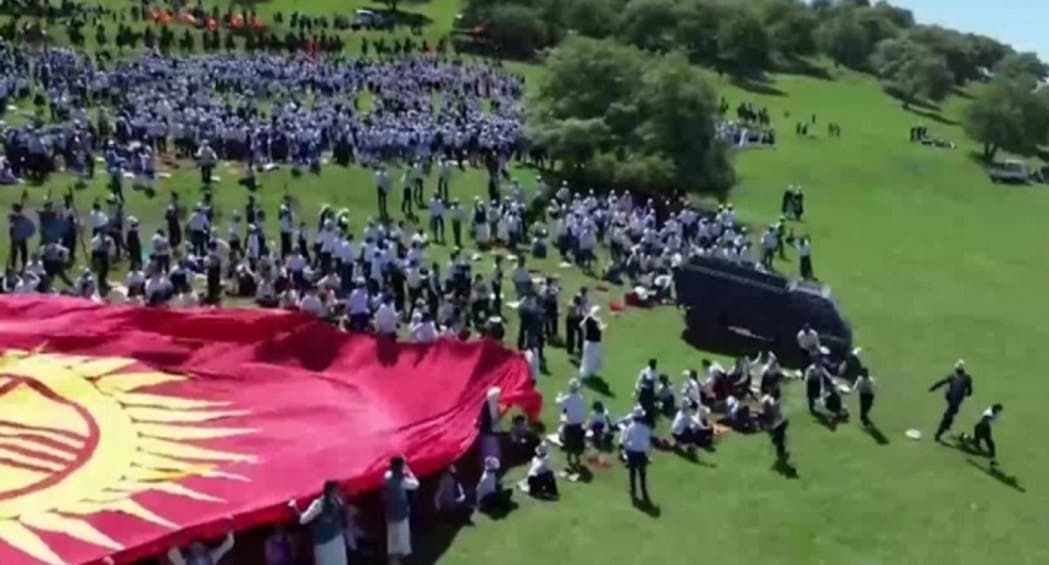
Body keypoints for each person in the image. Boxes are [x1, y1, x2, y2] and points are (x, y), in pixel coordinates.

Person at [384, 456, 420, 565]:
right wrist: (409, 472)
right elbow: (416, 484)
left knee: (393, 541)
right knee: (398, 543)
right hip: (400, 515)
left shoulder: (387, 477)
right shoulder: (402, 481)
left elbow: (388, 475)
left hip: (390, 514)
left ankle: (393, 561)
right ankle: (395, 563)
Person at [930, 360, 973, 442]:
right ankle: (939, 433)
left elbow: (941, 382)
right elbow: (970, 393)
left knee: (950, 414)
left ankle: (946, 426)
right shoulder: (968, 378)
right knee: (948, 416)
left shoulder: (952, 376)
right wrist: (965, 393)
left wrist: (933, 388)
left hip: (950, 398)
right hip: (955, 402)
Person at [622, 405, 653, 503]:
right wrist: (647, 453)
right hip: (641, 453)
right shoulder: (646, 428)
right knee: (642, 474)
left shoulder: (630, 427)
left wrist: (627, 450)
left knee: (632, 472)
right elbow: (648, 443)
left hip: (632, 452)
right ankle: (644, 491)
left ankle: (633, 489)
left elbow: (625, 440)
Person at [557, 378, 586, 471]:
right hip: (580, 425)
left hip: (570, 425)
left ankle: (569, 457)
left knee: (568, 443)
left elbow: (561, 406)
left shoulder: (567, 398)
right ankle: (577, 457)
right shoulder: (581, 398)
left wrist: (559, 397)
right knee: (577, 443)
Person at [167, 527, 235, 565]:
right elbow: (229, 543)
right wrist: (228, 528)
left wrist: (175, 539)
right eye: (198, 549)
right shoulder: (212, 557)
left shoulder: (184, 563)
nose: (197, 549)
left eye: (197, 549)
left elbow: (171, 553)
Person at [762, 388, 789, 463]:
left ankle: (780, 452)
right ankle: (781, 450)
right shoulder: (777, 402)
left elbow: (769, 412)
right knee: (780, 439)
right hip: (781, 422)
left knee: (778, 439)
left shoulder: (773, 403)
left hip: (777, 424)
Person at [579, 305, 604, 379]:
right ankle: (586, 373)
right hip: (590, 342)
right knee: (588, 358)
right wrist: (585, 333)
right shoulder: (589, 318)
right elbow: (581, 325)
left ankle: (593, 372)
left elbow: (600, 328)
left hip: (596, 342)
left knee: (595, 358)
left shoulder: (598, 319)